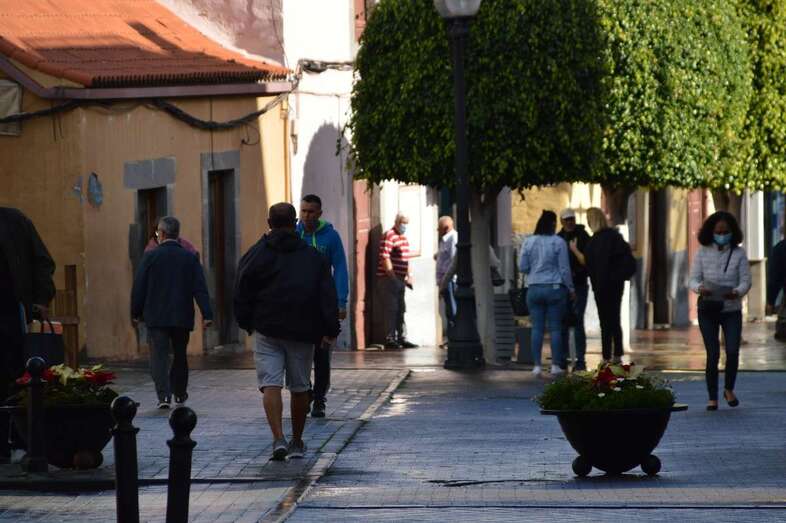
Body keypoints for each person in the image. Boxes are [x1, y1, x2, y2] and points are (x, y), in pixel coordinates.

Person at [234, 203, 340, 461]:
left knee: (270, 383)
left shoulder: (256, 254)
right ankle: (296, 440)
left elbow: (241, 289)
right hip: (302, 331)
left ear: (269, 223)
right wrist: (330, 328)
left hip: (267, 328)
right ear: (295, 223)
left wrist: (247, 321)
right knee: (300, 386)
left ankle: (278, 438)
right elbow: (326, 294)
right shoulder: (313, 257)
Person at [131, 216, 213, 409]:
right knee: (180, 355)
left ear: (162, 233)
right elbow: (200, 288)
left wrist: (135, 312)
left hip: (156, 316)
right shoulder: (189, 257)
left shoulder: (150, 257)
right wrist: (207, 314)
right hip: (181, 315)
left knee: (158, 356)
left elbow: (139, 287)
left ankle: (163, 396)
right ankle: (180, 392)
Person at [0, 207, 55, 461]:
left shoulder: (15, 221)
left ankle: (18, 439)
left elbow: (43, 261)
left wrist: (42, 299)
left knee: (16, 377)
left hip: (11, 314)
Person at [688, 211, 751, 411]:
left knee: (732, 351)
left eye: (725, 231)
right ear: (711, 232)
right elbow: (692, 279)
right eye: (718, 231)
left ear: (732, 232)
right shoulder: (702, 252)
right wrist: (700, 288)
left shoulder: (739, 254)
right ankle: (712, 397)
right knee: (713, 353)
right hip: (708, 308)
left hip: (731, 309)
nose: (722, 234)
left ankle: (729, 389)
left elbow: (746, 281)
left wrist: (737, 292)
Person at [296, 194, 349, 418]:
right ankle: (304, 391)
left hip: (323, 305)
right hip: (298, 305)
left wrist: (341, 301)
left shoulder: (331, 237)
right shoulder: (294, 235)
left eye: (311, 211)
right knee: (299, 354)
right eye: (303, 211)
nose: (306, 215)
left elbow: (340, 269)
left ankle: (319, 398)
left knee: (322, 354)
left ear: (319, 213)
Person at [519, 210, 574, 376]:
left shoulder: (529, 242)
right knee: (555, 329)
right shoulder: (558, 242)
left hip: (534, 288)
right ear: (553, 225)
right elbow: (564, 269)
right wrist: (570, 288)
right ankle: (555, 365)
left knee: (537, 328)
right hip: (554, 288)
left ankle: (536, 366)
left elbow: (522, 267)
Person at [584, 207, 634, 365]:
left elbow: (588, 265)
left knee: (604, 321)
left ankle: (606, 356)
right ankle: (618, 354)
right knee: (615, 319)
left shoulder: (593, 242)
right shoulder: (615, 237)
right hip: (615, 285)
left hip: (600, 286)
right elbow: (627, 259)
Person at [557, 208, 591, 371]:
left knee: (578, 322)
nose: (570, 222)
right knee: (563, 322)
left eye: (572, 219)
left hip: (579, 284)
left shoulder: (583, 237)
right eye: (567, 219)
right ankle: (562, 359)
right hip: (562, 286)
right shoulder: (557, 239)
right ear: (561, 222)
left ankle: (580, 360)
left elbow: (589, 261)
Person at [377, 213, 417, 349]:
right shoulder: (389, 235)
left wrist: (409, 276)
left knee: (401, 308)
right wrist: (393, 278)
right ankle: (390, 338)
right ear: (397, 222)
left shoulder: (404, 239)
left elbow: (407, 258)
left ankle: (402, 337)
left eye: (406, 223)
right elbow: (385, 257)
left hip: (401, 279)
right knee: (391, 308)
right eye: (402, 223)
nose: (404, 226)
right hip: (388, 279)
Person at [435, 216, 458, 342]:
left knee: (452, 310)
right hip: (444, 281)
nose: (437, 230)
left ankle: (454, 338)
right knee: (449, 310)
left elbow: (454, 260)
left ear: (445, 228)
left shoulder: (453, 238)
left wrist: (446, 280)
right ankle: (451, 338)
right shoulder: (445, 239)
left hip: (450, 281)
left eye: (439, 227)